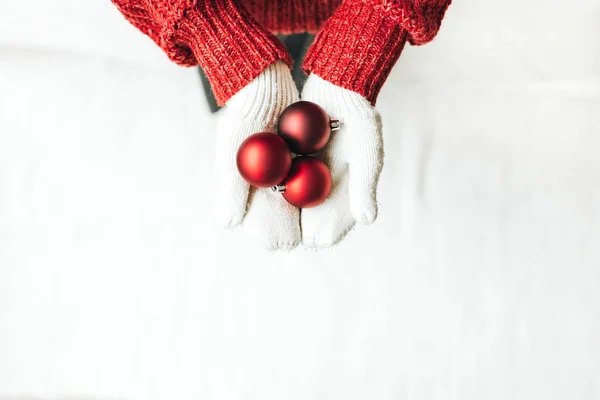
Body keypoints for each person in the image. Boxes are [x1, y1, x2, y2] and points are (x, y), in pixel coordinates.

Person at [111, 0, 451, 250]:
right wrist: (208, 27)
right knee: (238, 105)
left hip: (351, 12)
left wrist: (373, 24)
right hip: (223, 13)